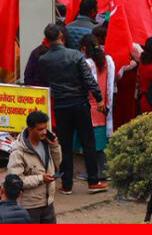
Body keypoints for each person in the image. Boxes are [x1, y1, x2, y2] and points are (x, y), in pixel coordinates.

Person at [36, 23, 108, 194]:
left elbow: (47, 80)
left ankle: (67, 184)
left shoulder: (44, 60)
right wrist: (99, 98)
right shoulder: (75, 55)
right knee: (88, 142)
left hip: (61, 105)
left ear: (47, 38)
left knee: (65, 145)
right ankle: (93, 181)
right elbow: (89, 79)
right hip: (80, 103)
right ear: (62, 35)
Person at [7, 110, 62, 223]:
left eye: (45, 128)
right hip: (29, 207)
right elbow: (16, 181)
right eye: (40, 129)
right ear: (30, 129)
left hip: (48, 203)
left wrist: (55, 146)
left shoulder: (46, 143)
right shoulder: (18, 152)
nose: (44, 132)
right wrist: (41, 178)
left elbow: (57, 164)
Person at [80, 34, 114, 181]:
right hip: (104, 106)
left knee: (90, 144)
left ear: (83, 48)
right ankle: (105, 171)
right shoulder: (108, 61)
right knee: (101, 143)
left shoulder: (86, 63)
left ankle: (93, 173)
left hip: (90, 107)